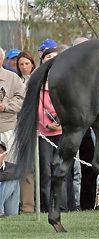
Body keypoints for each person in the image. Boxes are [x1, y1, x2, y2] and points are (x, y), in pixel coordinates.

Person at [38, 48, 75, 212]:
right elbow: (36, 107)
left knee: (62, 170)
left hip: (62, 131)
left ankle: (62, 206)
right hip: (43, 133)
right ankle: (48, 206)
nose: (51, 59)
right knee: (46, 172)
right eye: (47, 57)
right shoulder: (37, 80)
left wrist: (62, 121)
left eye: (54, 57)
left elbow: (71, 103)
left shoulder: (66, 80)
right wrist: (46, 124)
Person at [0, 47, 25, 216]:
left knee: (10, 171)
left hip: (7, 129)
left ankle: (11, 212)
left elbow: (22, 99)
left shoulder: (13, 78)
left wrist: (5, 106)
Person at [15, 51, 36, 213]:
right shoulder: (15, 80)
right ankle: (21, 205)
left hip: (35, 128)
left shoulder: (37, 80)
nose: (23, 67)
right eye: (21, 64)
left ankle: (32, 205)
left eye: (26, 63)